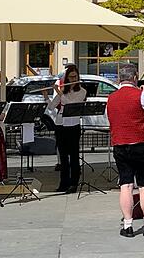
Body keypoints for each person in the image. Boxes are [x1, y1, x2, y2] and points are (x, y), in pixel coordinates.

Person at [107, 63, 144, 237]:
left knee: (126, 185)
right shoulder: (141, 95)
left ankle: (127, 226)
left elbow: (108, 117)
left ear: (119, 79)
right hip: (141, 144)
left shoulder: (111, 97)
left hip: (120, 144)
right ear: (135, 77)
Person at [43, 64, 87, 193]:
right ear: (67, 78)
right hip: (60, 124)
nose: (73, 79)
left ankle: (74, 183)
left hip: (73, 125)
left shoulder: (82, 91)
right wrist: (46, 96)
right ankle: (64, 183)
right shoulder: (64, 90)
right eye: (71, 77)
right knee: (63, 156)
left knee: (73, 155)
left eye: (75, 77)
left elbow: (69, 103)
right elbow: (51, 107)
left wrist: (58, 92)